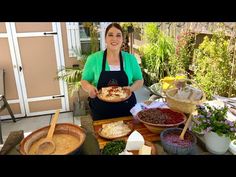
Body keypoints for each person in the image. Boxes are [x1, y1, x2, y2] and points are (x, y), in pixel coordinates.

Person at [81, 23, 144, 120]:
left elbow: (139, 80)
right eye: (110, 35)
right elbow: (84, 81)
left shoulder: (130, 59)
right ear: (105, 38)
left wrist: (131, 89)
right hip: (101, 111)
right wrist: (90, 88)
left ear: (122, 39)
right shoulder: (93, 59)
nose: (114, 39)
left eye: (118, 35)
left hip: (127, 109)